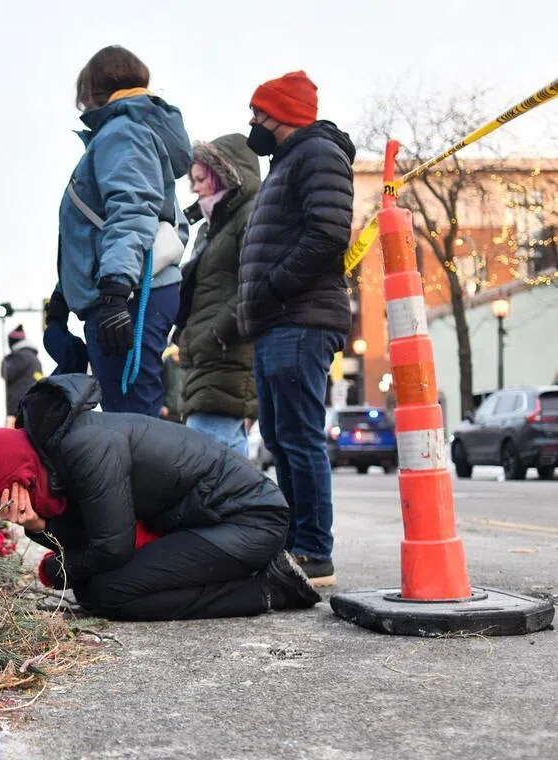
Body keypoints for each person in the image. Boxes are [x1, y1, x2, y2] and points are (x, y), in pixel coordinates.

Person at [0, 375, 320, 621]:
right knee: (94, 591)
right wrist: (41, 525)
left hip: (249, 520)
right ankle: (248, 577)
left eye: (6, 498)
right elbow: (95, 533)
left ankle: (267, 588)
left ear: (21, 473)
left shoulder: (85, 447)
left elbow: (112, 548)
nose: (9, 513)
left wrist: (55, 570)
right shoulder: (59, 448)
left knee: (111, 594)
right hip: (207, 521)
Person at [236, 71, 355, 587]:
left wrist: (273, 287)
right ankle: (296, 543)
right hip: (277, 321)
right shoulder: (286, 163)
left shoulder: (317, 154)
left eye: (259, 113)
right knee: (282, 439)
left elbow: (328, 233)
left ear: (281, 114)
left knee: (300, 437)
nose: (252, 123)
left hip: (300, 318)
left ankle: (313, 549)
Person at [48, 45, 191, 416]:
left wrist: (114, 290)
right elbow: (95, 231)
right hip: (131, 289)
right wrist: (64, 296)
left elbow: (130, 212)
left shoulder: (122, 132)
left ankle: (145, 478)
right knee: (129, 417)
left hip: (129, 295)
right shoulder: (132, 130)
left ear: (90, 92)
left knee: (132, 424)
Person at [172, 134, 261, 454]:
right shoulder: (210, 229)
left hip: (227, 355)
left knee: (209, 455)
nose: (194, 188)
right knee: (220, 455)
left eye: (199, 179)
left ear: (222, 175)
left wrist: (217, 332)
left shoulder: (248, 215)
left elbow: (255, 282)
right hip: (210, 357)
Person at [1, 324, 42, 426]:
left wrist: (5, 360)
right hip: (32, 404)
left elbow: (7, 373)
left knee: (17, 436)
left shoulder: (20, 356)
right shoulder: (33, 358)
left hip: (19, 405)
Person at [159, 344, 183, 422]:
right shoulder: (165, 365)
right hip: (167, 412)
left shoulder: (189, 366)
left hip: (183, 414)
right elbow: (160, 386)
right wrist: (161, 406)